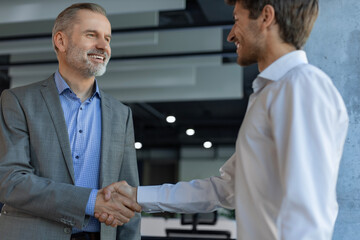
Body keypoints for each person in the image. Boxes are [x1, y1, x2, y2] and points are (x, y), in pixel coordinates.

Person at [96, 0, 349, 239]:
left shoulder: (300, 86)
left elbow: (308, 214)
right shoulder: (273, 92)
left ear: (266, 17)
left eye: (237, 20)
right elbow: (223, 189)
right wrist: (137, 196)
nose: (230, 34)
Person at [0, 3, 141, 240]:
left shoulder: (121, 114)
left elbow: (128, 198)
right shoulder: (17, 101)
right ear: (61, 41)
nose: (103, 46)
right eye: (91, 35)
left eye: (107, 38)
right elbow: (10, 180)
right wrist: (88, 202)